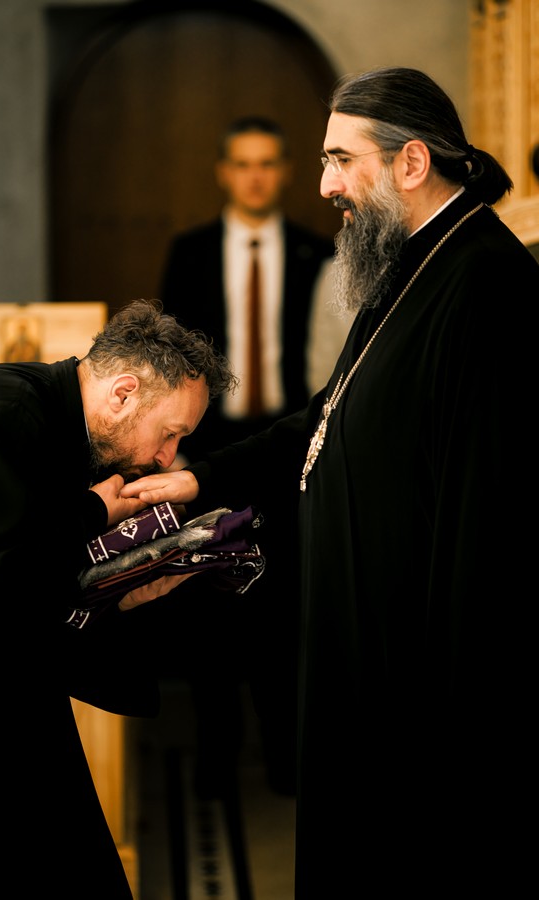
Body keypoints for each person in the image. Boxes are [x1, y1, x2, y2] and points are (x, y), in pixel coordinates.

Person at [121, 68, 538, 895]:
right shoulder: (412, 262)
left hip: (414, 686)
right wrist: (202, 480)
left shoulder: (487, 283)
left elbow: (488, 527)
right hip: (361, 649)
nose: (325, 186)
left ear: (411, 163)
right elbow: (327, 417)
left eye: (342, 160)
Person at [0, 299, 236, 899]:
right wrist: (94, 514)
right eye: (171, 433)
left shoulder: (56, 423)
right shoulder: (6, 414)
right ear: (123, 393)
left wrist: (123, 590)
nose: (167, 458)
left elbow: (33, 586)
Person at [156, 116, 336, 798]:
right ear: (224, 173)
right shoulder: (191, 253)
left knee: (285, 607)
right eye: (242, 164)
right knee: (209, 611)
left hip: (290, 450)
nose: (255, 176)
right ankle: (216, 760)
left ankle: (288, 760)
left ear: (285, 172)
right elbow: (167, 361)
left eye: (267, 163)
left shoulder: (320, 254)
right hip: (209, 451)